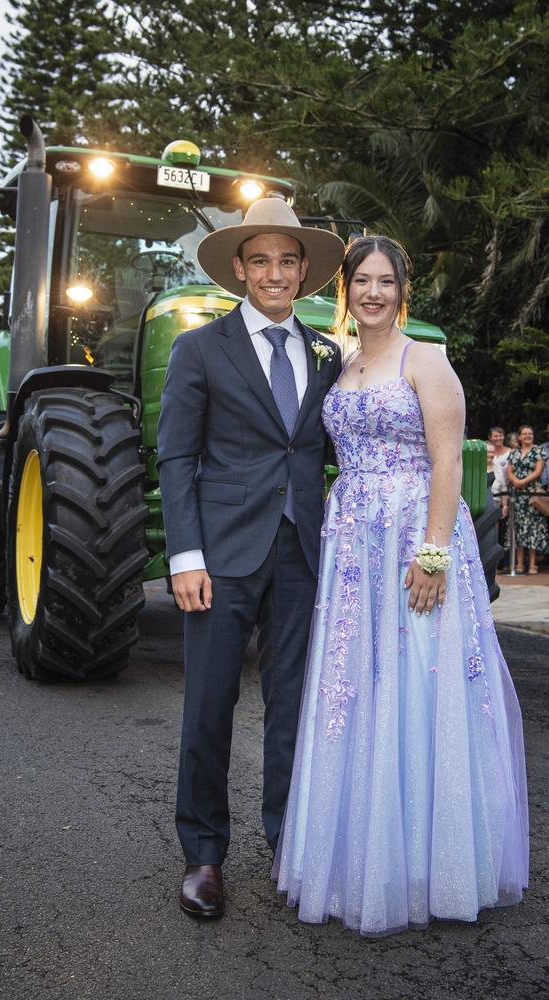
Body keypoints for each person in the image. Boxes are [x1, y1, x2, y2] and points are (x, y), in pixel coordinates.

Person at [274, 235, 528, 936]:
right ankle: (360, 854)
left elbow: (448, 464)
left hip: (415, 537)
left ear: (402, 291)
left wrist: (435, 556)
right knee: (354, 688)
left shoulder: (428, 361)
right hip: (352, 544)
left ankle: (432, 864)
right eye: (363, 281)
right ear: (346, 290)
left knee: (420, 683)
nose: (375, 293)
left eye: (387, 281)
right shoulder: (343, 362)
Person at [157, 198, 345, 918]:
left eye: (287, 260)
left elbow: (332, 452)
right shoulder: (199, 349)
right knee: (209, 704)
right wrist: (185, 556)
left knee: (295, 709)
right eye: (260, 259)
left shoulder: (326, 352)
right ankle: (203, 855)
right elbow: (176, 458)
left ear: (304, 272)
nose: (274, 272)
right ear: (239, 269)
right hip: (222, 555)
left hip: (302, 552)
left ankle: (288, 845)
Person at [506, 425, 548, 574]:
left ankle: (532, 564)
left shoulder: (539, 451)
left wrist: (522, 482)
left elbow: (538, 471)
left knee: (533, 528)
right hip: (516, 496)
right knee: (517, 528)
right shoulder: (514, 452)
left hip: (531, 494)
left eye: (530, 433)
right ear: (519, 437)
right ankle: (518, 563)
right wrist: (515, 481)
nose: (528, 436)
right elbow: (509, 470)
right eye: (524, 434)